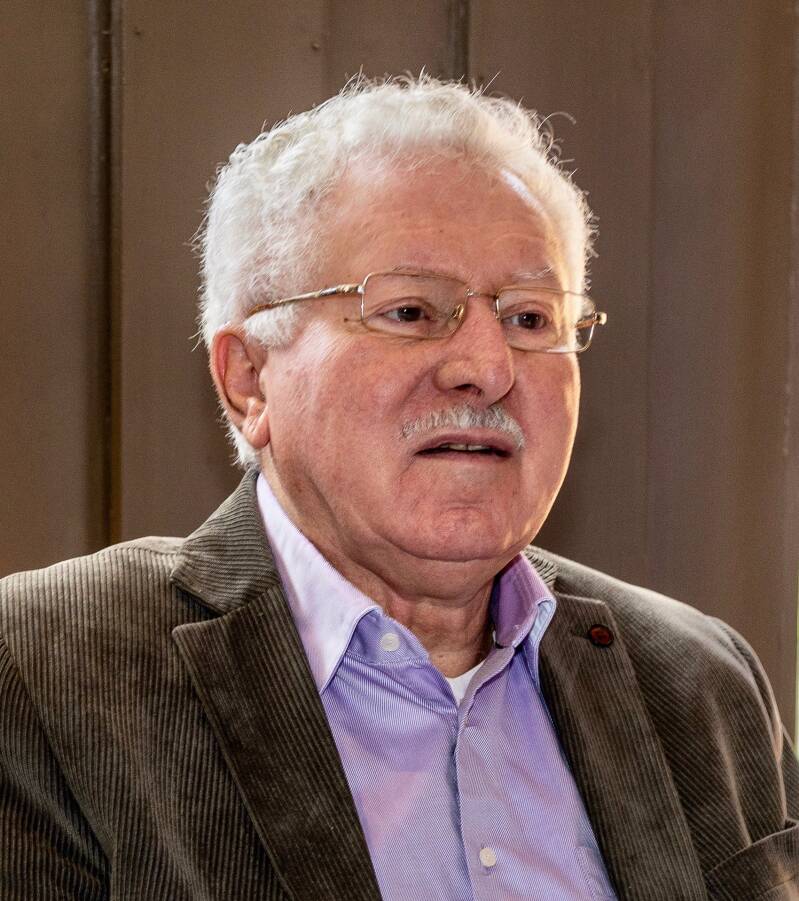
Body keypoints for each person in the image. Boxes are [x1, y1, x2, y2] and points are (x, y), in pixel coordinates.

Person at [0, 76, 796, 901]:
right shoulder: (45, 672)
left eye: (529, 318)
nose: (486, 367)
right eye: (411, 311)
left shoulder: (699, 681)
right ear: (249, 379)